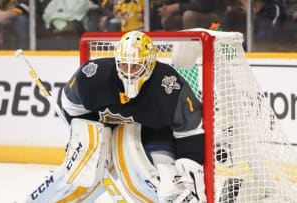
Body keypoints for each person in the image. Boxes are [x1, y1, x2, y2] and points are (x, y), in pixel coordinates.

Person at [25, 31, 206, 203]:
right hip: (106, 131)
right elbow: (71, 104)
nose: (128, 71)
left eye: (135, 66)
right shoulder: (94, 75)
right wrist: (84, 134)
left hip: (155, 136)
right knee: (78, 172)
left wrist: (189, 166)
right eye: (123, 64)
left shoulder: (168, 86)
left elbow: (190, 131)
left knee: (167, 186)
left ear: (150, 63)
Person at [157, 0, 226, 31]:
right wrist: (166, 9)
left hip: (215, 16)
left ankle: (190, 49)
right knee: (167, 19)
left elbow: (203, 7)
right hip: (192, 14)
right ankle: (174, 49)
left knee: (189, 16)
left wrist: (177, 7)